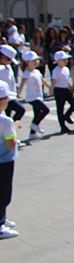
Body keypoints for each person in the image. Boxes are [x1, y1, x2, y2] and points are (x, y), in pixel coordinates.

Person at [0, 81, 19, 240]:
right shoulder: (6, 122)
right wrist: (16, 130)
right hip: (4, 161)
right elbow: (10, 144)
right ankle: (0, 225)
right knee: (4, 192)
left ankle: (2, 218)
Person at [18, 51, 51, 139]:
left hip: (39, 95)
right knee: (45, 110)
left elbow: (42, 80)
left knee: (37, 114)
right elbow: (22, 84)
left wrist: (49, 87)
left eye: (37, 60)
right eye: (33, 61)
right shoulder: (26, 73)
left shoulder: (37, 71)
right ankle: (35, 124)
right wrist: (19, 93)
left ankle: (32, 134)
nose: (36, 62)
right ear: (27, 62)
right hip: (32, 97)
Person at [51, 50, 74, 134]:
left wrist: (71, 88)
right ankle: (63, 126)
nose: (66, 61)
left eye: (66, 59)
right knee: (60, 109)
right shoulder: (56, 70)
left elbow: (67, 80)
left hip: (66, 89)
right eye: (63, 59)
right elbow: (54, 81)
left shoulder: (66, 69)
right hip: (59, 90)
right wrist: (51, 89)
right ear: (58, 61)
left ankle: (67, 115)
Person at [0, 45, 25, 123]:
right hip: (3, 96)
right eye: (8, 59)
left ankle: (9, 130)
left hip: (11, 95)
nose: (10, 61)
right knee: (20, 110)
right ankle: (11, 128)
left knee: (7, 117)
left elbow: (10, 78)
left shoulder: (7, 66)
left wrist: (15, 85)